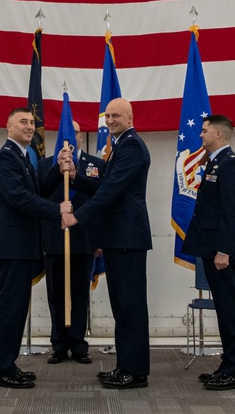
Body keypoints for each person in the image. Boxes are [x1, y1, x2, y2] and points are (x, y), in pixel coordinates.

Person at [60, 97, 152, 389]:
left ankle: (135, 372)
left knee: (130, 307)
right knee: (123, 307)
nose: (110, 120)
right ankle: (126, 366)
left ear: (130, 117)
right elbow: (103, 186)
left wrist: (79, 216)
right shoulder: (120, 146)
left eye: (116, 115)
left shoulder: (132, 146)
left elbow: (112, 190)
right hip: (118, 237)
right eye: (107, 116)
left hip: (127, 237)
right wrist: (76, 177)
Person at [0, 107, 72, 389]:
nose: (29, 126)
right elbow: (19, 198)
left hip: (23, 246)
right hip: (12, 246)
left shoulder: (24, 158)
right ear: (8, 127)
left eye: (32, 122)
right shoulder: (5, 158)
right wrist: (57, 209)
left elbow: (36, 190)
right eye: (22, 122)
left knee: (16, 308)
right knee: (9, 308)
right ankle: (0, 369)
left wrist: (58, 169)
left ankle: (7, 364)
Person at [181, 114, 235, 391]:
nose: (200, 135)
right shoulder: (215, 163)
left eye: (204, 131)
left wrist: (223, 250)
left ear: (219, 134)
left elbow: (232, 212)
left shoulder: (231, 165)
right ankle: (228, 366)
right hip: (214, 250)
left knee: (233, 312)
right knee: (224, 311)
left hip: (226, 253)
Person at [41, 121, 103, 365]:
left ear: (80, 136)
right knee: (56, 294)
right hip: (55, 238)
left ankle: (78, 344)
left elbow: (101, 202)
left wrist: (99, 240)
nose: (72, 137)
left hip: (85, 238)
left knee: (79, 293)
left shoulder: (95, 165)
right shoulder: (47, 165)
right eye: (67, 132)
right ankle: (58, 344)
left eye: (76, 132)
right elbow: (40, 198)